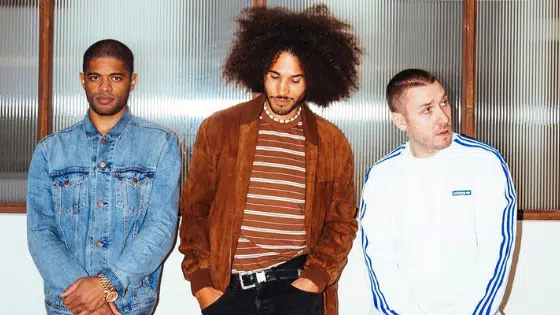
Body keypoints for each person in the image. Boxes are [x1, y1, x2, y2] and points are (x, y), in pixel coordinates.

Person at [178, 4, 362, 315]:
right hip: (228, 288)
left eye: (295, 79)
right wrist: (202, 285)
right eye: (274, 75)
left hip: (295, 285)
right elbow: (195, 211)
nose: (281, 89)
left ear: (312, 79)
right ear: (259, 71)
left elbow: (341, 222)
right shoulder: (220, 129)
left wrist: (313, 282)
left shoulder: (332, 142)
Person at [27, 39, 181, 315]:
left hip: (129, 305)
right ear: (82, 80)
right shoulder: (50, 150)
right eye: (95, 77)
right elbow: (41, 232)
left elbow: (162, 226)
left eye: (116, 78)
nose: (105, 88)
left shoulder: (160, 145)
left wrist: (106, 285)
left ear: (132, 81)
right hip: (68, 306)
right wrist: (87, 300)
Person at [360, 69, 517, 315]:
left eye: (444, 102)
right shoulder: (382, 176)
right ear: (401, 121)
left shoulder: (484, 162)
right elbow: (379, 259)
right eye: (427, 110)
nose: (443, 117)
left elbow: (497, 250)